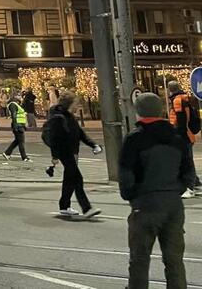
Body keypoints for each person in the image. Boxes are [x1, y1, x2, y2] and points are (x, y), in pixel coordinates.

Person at [119, 92, 192, 288]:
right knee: (174, 260)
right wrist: (174, 191)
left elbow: (126, 177)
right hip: (173, 206)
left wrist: (133, 196)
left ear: (138, 111)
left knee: (140, 260)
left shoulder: (134, 139)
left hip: (145, 205)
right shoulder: (177, 137)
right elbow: (189, 174)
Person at [43, 91, 102, 219]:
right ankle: (87, 208)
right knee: (77, 179)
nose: (77, 106)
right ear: (70, 104)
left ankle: (64, 206)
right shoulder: (58, 118)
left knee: (69, 179)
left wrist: (94, 145)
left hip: (72, 152)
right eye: (76, 103)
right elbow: (54, 139)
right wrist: (54, 156)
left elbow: (80, 134)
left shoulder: (69, 116)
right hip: (65, 153)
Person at [167, 80, 200, 197]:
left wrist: (177, 134)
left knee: (186, 161)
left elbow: (181, 119)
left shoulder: (177, 101)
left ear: (170, 89)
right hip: (187, 134)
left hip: (183, 135)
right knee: (187, 159)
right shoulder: (183, 98)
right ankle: (194, 181)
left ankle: (189, 186)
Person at [2, 92, 31, 162]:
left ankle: (7, 153)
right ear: (15, 97)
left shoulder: (16, 105)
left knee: (17, 141)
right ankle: (24, 157)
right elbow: (14, 115)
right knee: (21, 141)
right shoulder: (13, 104)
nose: (21, 97)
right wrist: (16, 126)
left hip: (19, 124)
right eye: (19, 96)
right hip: (18, 125)